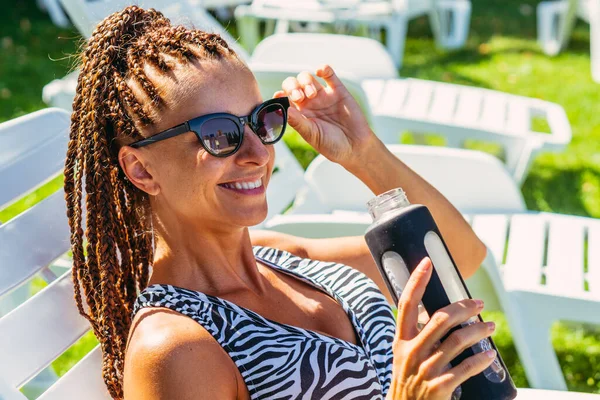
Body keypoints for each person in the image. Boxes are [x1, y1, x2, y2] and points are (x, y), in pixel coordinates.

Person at [64, 6, 493, 400]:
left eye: (261, 120)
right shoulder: (176, 347)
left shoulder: (280, 258)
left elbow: (460, 254)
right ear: (142, 170)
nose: (258, 152)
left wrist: (363, 154)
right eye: (218, 134)